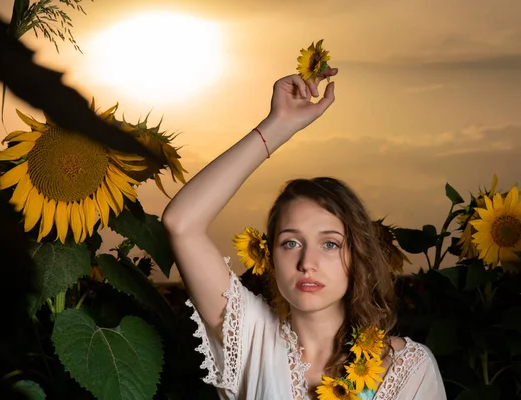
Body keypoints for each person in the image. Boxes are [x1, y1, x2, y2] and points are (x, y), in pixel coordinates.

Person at [161, 69, 446, 400]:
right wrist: (278, 126)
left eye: (329, 244)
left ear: (357, 256)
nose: (307, 262)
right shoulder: (251, 340)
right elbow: (181, 223)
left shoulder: (408, 369)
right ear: (271, 258)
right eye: (291, 242)